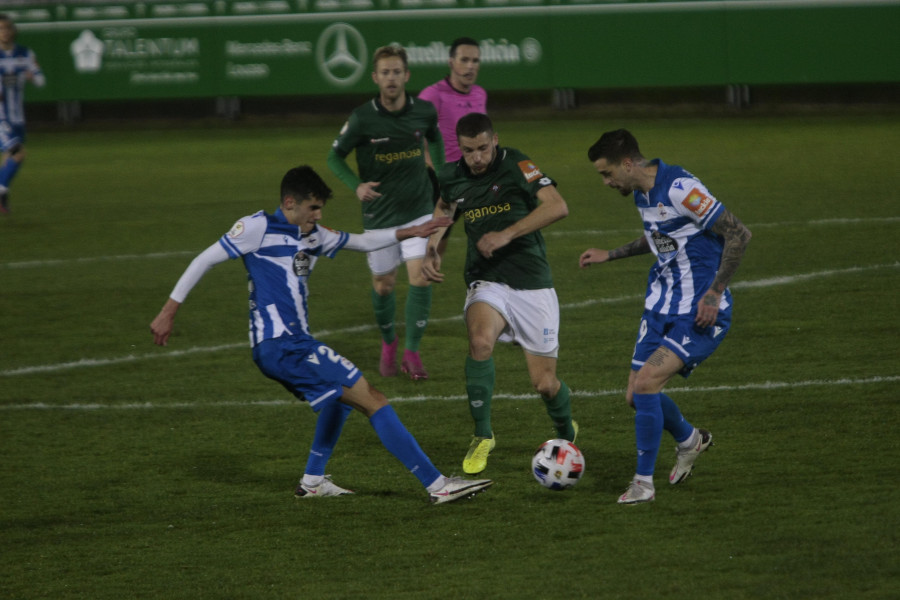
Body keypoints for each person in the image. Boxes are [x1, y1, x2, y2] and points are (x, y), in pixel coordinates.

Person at [150, 165, 492, 505]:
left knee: (336, 401)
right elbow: (203, 260)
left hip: (290, 344)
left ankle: (313, 481)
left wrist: (411, 231)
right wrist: (169, 311)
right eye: (312, 207)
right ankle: (437, 484)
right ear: (289, 202)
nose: (318, 214)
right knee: (374, 399)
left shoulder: (311, 235)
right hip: (283, 345)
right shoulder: (257, 227)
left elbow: (360, 241)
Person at [579, 129, 752, 504]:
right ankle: (691, 440)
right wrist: (611, 253)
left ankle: (643, 484)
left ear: (628, 164)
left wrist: (715, 292)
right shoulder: (642, 191)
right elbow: (661, 236)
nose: (606, 182)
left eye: (607, 174)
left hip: (699, 313)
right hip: (660, 306)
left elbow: (739, 233)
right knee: (634, 395)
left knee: (645, 385)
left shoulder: (680, 188)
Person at [422, 113, 577, 475]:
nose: (476, 157)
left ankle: (565, 430)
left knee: (545, 384)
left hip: (532, 281)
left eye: (482, 148)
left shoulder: (517, 164)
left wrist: (506, 234)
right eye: (468, 150)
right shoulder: (451, 175)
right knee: (479, 342)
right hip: (486, 278)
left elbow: (557, 206)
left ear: (495, 140)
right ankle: (483, 435)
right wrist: (432, 245)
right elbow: (446, 205)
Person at [327, 45, 444, 381]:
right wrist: (357, 186)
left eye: (397, 72)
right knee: (383, 285)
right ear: (376, 77)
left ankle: (412, 352)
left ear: (406, 75)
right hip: (379, 217)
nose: (391, 78)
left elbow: (434, 138)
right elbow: (334, 157)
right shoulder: (362, 118)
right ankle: (389, 342)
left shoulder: (423, 111)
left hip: (418, 209)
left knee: (420, 276)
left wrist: (442, 171)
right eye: (385, 72)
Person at [418, 36, 488, 257]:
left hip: (474, 178)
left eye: (475, 60)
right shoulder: (433, 95)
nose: (470, 66)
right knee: (436, 244)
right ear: (451, 62)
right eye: (464, 59)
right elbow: (414, 140)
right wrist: (439, 172)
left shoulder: (479, 94)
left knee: (490, 236)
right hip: (441, 182)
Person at [0, 13, 45, 215]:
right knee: (18, 153)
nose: (5, 32)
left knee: (9, 157)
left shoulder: (24, 53)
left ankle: (2, 196)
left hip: (17, 117)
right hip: (0, 117)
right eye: (1, 29)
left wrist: (32, 77)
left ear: (13, 30)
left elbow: (41, 80)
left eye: (7, 28)